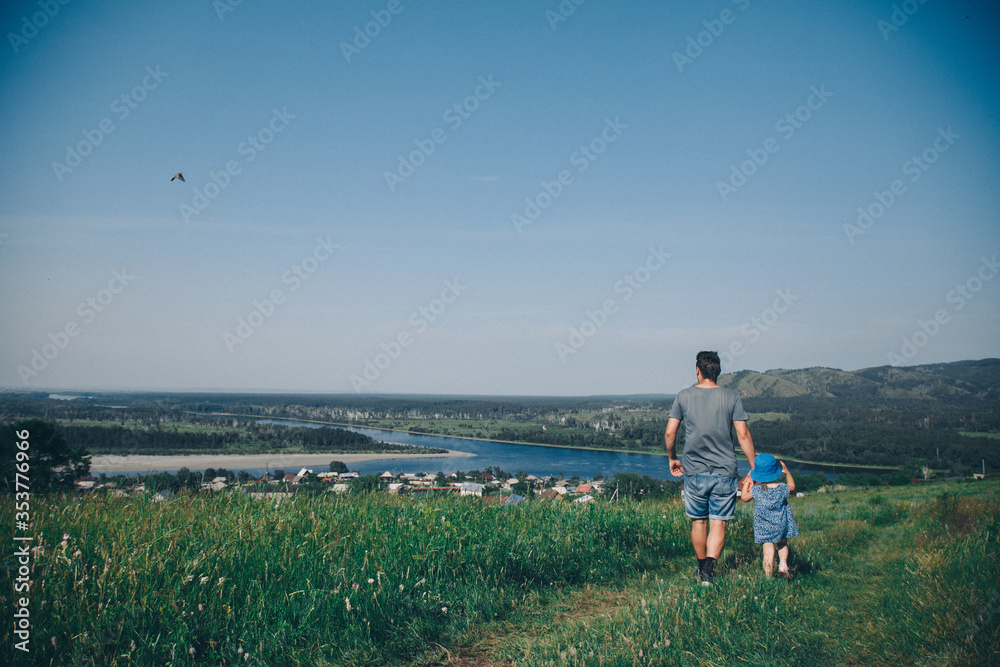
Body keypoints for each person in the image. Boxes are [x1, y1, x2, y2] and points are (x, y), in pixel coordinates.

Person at [665, 351, 756, 585]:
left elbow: (670, 432)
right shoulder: (732, 397)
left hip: (694, 471)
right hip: (725, 471)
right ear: (718, 372)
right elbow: (743, 434)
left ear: (698, 370)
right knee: (718, 522)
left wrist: (672, 458)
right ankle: (709, 570)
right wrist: (754, 468)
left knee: (699, 521)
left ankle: (700, 568)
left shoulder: (683, 396)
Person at [740, 453, 800, 577]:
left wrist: (748, 480)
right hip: (781, 523)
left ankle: (768, 577)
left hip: (764, 526)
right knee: (782, 544)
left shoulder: (756, 490)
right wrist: (787, 473)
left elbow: (744, 497)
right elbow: (793, 487)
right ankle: (783, 564)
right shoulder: (782, 488)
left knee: (768, 549)